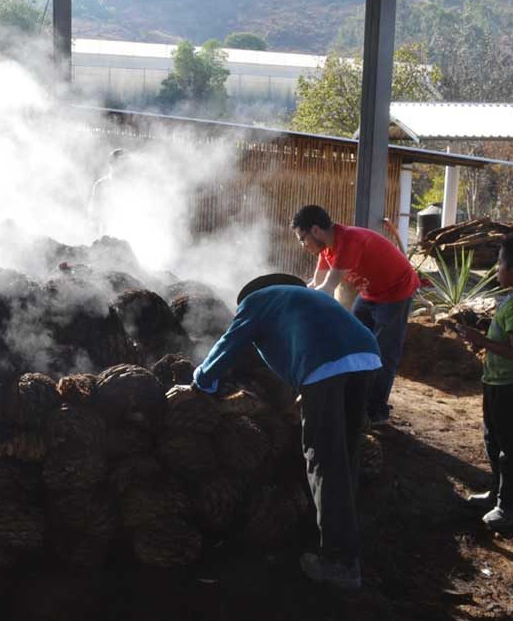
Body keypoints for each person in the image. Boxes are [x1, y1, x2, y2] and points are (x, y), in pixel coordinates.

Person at [167, 273, 381, 590]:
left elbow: (229, 343)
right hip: (367, 356)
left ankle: (339, 563)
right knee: (346, 451)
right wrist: (306, 392)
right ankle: (345, 538)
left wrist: (200, 383)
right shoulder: (309, 298)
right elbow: (319, 340)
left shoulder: (256, 301)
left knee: (322, 458)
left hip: (328, 365)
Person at [292, 205, 420, 426]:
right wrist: (290, 293)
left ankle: (376, 412)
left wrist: (294, 303)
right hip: (371, 292)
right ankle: (354, 399)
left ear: (315, 231)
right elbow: (315, 284)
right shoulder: (327, 249)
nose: (303, 246)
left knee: (382, 352)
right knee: (354, 342)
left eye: (302, 239)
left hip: (396, 291)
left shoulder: (348, 241)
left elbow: (326, 289)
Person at [458, 235, 513, 531]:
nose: (496, 268)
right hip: (498, 382)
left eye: (500, 263)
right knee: (494, 440)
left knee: (511, 448)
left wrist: (481, 340)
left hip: (512, 386)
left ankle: (511, 507)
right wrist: (482, 341)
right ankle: (498, 494)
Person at [87, 148, 124, 237]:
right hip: (106, 235)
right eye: (117, 162)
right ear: (111, 164)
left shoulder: (133, 185)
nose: (121, 166)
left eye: (123, 163)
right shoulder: (101, 185)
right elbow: (94, 213)